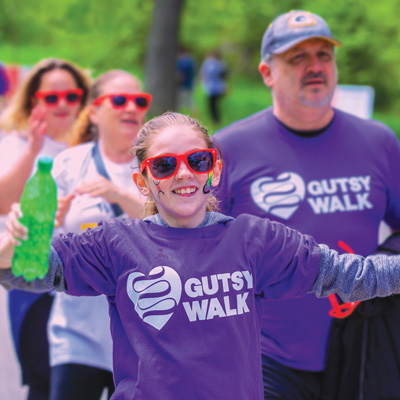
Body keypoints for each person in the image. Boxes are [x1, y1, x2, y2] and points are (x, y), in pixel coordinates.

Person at [1, 112, 400, 400]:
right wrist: (13, 241)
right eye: (164, 166)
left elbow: (355, 276)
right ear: (142, 182)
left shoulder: (254, 239)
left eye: (198, 160)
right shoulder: (113, 243)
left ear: (215, 169)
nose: (184, 174)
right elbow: (24, 273)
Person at [212, 10, 400, 400]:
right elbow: (196, 247)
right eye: (297, 57)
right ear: (267, 72)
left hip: (361, 351)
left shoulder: (379, 141)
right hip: (264, 357)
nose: (315, 67)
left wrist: (379, 265)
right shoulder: (228, 149)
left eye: (323, 55)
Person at [47, 69, 148, 400]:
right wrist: (50, 221)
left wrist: (117, 195)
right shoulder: (68, 164)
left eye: (139, 101)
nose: (131, 108)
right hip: (78, 337)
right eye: (119, 100)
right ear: (93, 112)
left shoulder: (158, 165)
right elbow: (42, 248)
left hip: (145, 339)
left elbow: (174, 223)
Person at [0, 58, 91, 400]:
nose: (63, 104)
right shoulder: (16, 144)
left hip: (86, 279)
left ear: (83, 99)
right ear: (34, 102)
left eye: (71, 95)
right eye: (51, 98)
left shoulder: (96, 146)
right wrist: (34, 151)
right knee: (43, 380)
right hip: (31, 273)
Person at [200, 50, 227, 124]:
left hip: (215, 87)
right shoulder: (217, 64)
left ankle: (215, 120)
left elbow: (223, 76)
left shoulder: (218, 64)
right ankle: (215, 119)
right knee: (212, 104)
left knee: (213, 104)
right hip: (212, 87)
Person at [176, 46, 196, 112]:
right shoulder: (190, 61)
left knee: (187, 104)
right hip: (189, 84)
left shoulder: (184, 62)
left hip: (184, 86)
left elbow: (181, 76)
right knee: (190, 103)